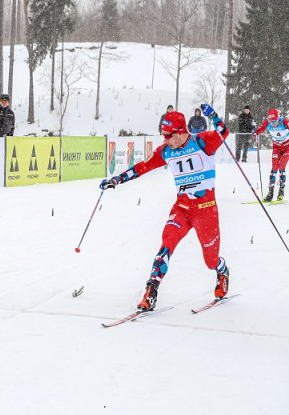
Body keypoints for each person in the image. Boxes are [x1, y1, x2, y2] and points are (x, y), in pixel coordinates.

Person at [100, 105, 230, 311]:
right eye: (163, 135)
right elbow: (143, 167)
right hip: (182, 208)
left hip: (206, 210)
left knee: (210, 260)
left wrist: (212, 116)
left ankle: (222, 271)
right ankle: (151, 292)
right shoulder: (167, 150)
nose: (165, 140)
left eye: (168, 135)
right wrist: (117, 179)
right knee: (166, 244)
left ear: (180, 132)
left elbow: (224, 132)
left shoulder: (202, 141)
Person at [254, 108, 289, 201]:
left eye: (275, 121)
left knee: (281, 167)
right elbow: (258, 131)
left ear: (278, 118)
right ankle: (270, 193)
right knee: (274, 168)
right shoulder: (267, 123)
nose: (273, 124)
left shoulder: (284, 122)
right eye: (271, 122)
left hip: (287, 147)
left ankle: (281, 191)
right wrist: (255, 132)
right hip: (276, 146)